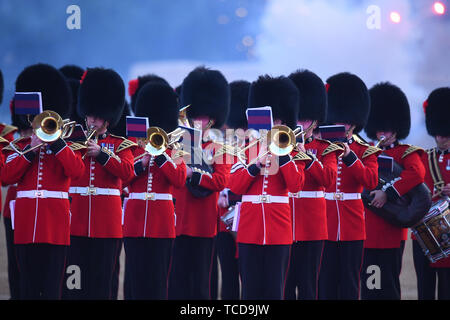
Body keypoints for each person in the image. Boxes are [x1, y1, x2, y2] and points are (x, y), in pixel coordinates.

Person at [1, 63, 85, 299]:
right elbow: (6, 177)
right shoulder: (18, 147)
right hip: (26, 224)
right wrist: (30, 150)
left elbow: (76, 170)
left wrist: (57, 143)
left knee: (51, 289)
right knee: (27, 287)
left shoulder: (67, 146)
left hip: (55, 224)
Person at [229, 75, 310, 300]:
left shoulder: (294, 151)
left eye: (279, 122)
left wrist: (282, 154)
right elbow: (234, 186)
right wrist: (255, 165)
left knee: (275, 291)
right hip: (249, 228)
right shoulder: (245, 149)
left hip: (278, 229)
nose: (275, 126)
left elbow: (295, 185)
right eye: (272, 122)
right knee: (250, 292)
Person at [64, 67, 136, 300]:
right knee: (74, 283)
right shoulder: (73, 140)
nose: (93, 120)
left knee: (104, 284)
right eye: (90, 115)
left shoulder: (121, 144)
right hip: (76, 220)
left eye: (98, 116)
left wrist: (103, 155)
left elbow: (127, 172)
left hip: (107, 224)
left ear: (109, 118)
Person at [168, 66, 232, 300]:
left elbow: (220, 180)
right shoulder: (177, 145)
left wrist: (192, 175)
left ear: (212, 120)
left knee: (202, 287)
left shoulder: (219, 149)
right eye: (194, 116)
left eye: (202, 117)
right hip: (178, 223)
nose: (197, 121)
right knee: (177, 284)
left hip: (204, 224)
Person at [318, 72, 380, 300]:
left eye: (344, 122)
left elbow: (371, 180)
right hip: (325, 221)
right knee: (324, 282)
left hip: (352, 223)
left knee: (350, 283)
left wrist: (350, 157)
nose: (340, 125)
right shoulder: (321, 147)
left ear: (353, 124)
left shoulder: (366, 150)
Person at [361, 82, 425, 299]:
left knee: (387, 284)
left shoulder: (405, 153)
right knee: (370, 284)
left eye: (386, 130)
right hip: (367, 230)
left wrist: (388, 193)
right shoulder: (366, 151)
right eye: (379, 129)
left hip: (390, 229)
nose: (382, 134)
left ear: (396, 129)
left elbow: (417, 174)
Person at [122, 81, 187, 299]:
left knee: (158, 282)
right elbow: (123, 177)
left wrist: (161, 157)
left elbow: (179, 179)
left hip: (161, 221)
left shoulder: (175, 148)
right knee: (136, 278)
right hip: (135, 217)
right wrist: (141, 164)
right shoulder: (132, 144)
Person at [285, 69, 341, 300]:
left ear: (316, 121)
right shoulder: (281, 147)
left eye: (305, 119)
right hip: (287, 224)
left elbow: (328, 179)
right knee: (286, 287)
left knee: (309, 288)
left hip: (312, 226)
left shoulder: (326, 148)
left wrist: (306, 157)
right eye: (298, 118)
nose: (300, 123)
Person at [413, 87, 450, 300]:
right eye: (438, 134)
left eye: (445, 135)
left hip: (448, 233)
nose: (440, 138)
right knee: (424, 290)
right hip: (424, 233)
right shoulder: (423, 158)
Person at [216, 79, 250, 300]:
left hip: (248, 215)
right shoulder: (222, 145)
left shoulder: (259, 146)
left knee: (248, 276)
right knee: (228, 275)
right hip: (224, 215)